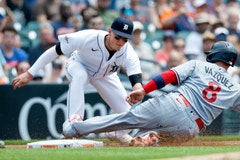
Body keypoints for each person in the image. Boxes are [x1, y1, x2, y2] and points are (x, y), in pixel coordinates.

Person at [62, 41, 240, 146]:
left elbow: (169, 76)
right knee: (152, 145)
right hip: (190, 129)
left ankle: (74, 129)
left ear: (214, 55)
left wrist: (143, 89)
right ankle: (147, 139)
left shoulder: (199, 64)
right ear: (231, 61)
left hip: (175, 105)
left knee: (122, 119)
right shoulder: (236, 88)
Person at [12, 17, 143, 144]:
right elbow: (55, 50)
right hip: (79, 65)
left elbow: (135, 77)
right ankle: (70, 128)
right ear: (109, 31)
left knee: (130, 115)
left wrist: (137, 91)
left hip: (106, 76)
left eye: (125, 39)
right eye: (117, 37)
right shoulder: (89, 37)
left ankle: (114, 134)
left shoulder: (127, 51)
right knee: (80, 76)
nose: (120, 42)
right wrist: (30, 73)